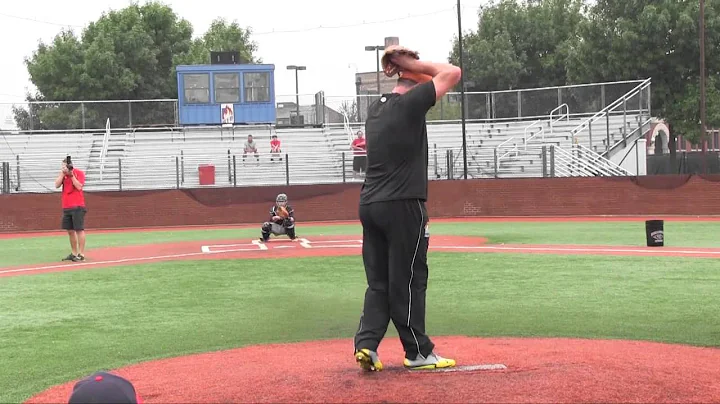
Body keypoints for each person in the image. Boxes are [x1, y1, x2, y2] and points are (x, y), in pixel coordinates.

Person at [352, 46, 462, 371]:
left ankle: (367, 345)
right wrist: (413, 64)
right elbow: (452, 72)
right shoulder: (411, 103)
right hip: (403, 206)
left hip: (370, 204)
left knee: (379, 283)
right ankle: (417, 352)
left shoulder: (376, 108)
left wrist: (406, 66)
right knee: (411, 278)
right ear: (412, 73)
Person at [54, 156, 87, 262]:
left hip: (77, 206)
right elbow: (56, 185)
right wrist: (63, 174)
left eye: (65, 166)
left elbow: (79, 187)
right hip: (66, 206)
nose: (63, 168)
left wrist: (72, 175)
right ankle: (73, 253)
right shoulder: (63, 175)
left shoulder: (79, 173)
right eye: (62, 166)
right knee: (70, 231)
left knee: (79, 230)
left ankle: (81, 254)